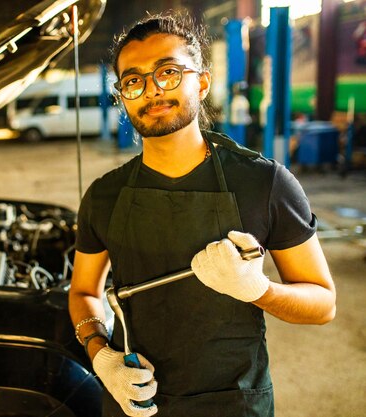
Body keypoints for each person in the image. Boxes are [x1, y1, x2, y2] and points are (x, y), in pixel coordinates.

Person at [68, 12, 336, 417]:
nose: (153, 90)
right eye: (134, 80)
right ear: (124, 95)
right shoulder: (104, 196)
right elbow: (84, 292)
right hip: (134, 401)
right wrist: (102, 357)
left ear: (202, 82)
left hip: (235, 403)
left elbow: (323, 304)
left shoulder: (265, 184)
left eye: (169, 72)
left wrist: (258, 290)